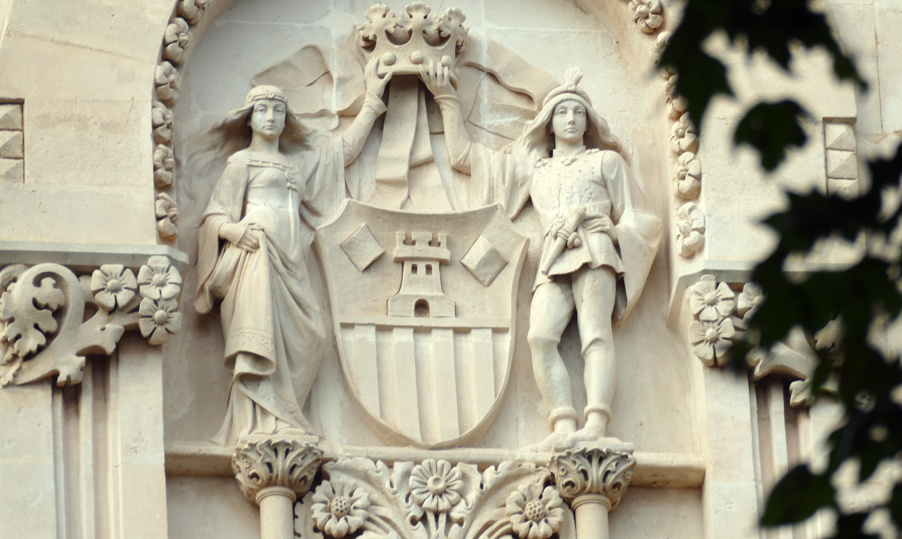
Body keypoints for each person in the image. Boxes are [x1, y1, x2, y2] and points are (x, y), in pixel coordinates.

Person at [420, 61, 661, 449]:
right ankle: (563, 423)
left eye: (579, 112)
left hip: (596, 251)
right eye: (563, 112)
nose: (571, 119)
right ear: (548, 122)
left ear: (589, 121)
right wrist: (447, 99)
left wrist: (615, 232)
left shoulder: (605, 161)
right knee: (540, 337)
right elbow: (466, 159)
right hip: (553, 255)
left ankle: (596, 422)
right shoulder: (535, 170)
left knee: (595, 334)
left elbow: (640, 218)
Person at [195, 61, 390, 445]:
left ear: (287, 119)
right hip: (257, 258)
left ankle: (284, 415)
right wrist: (234, 231)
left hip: (292, 261)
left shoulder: (296, 165)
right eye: (263, 110)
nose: (271, 117)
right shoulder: (241, 162)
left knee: (312, 337)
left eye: (279, 110)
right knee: (259, 335)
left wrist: (372, 99)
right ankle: (256, 425)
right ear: (249, 120)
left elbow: (343, 151)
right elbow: (213, 214)